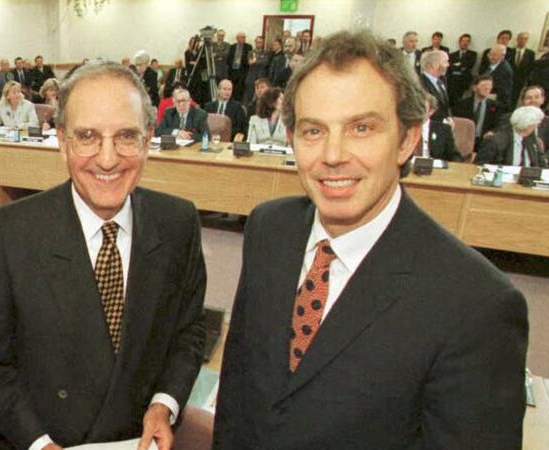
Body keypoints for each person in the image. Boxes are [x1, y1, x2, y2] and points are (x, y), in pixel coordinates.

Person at [214, 30, 528, 449]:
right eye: (313, 131)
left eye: (361, 128)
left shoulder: (478, 305)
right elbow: (240, 387)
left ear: (407, 139)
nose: (333, 154)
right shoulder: (268, 228)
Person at [0, 61, 206, 450]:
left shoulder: (178, 222)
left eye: (127, 136)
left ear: (149, 138)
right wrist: (38, 443)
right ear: (62, 140)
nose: (108, 158)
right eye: (88, 137)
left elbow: (189, 332)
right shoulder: (7, 233)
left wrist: (164, 404)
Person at [494, 85, 549, 168]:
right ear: (523, 101)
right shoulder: (508, 118)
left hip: (539, 165)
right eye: (529, 98)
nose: (533, 101)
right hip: (509, 162)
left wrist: (542, 159)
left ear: (543, 100)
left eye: (536, 97)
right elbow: (498, 141)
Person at [476, 105, 549, 167]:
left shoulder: (533, 140)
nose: (537, 126)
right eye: (536, 124)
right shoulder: (495, 141)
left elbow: (542, 166)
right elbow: (479, 166)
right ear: (527, 125)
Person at [453, 74, 500, 150]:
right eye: (484, 85)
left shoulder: (496, 106)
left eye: (489, 85)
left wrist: (492, 132)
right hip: (464, 140)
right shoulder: (462, 104)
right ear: (474, 88)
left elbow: (498, 125)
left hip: (484, 143)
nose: (487, 88)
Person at [418, 95, 462, 161]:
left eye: (422, 108)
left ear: (431, 111)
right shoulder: (406, 127)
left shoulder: (443, 129)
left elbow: (455, 155)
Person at [528, 33, 549, 109]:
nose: (548, 41)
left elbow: (545, 63)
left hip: (545, 83)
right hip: (539, 82)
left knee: (539, 105)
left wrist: (532, 62)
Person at [479, 44, 514, 112]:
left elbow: (503, 93)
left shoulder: (505, 70)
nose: (491, 57)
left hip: (495, 105)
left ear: (502, 56)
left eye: (495, 55)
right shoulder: (491, 64)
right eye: (490, 54)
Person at [419, 50, 451, 121]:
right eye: (445, 61)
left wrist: (448, 118)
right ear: (435, 64)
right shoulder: (420, 83)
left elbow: (445, 105)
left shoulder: (441, 81)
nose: (448, 65)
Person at [447, 33, 477, 105]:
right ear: (460, 42)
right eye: (463, 41)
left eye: (467, 41)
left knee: (461, 101)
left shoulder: (473, 54)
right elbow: (450, 66)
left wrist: (457, 65)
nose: (465, 43)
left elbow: (469, 65)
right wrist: (461, 66)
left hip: (464, 80)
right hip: (452, 81)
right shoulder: (452, 54)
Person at [512, 32, 536, 106]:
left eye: (525, 39)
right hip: (509, 79)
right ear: (517, 39)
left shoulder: (531, 53)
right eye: (521, 38)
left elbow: (531, 68)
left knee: (516, 99)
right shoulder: (510, 51)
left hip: (521, 80)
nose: (523, 40)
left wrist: (527, 80)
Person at [244, 35, 270, 104]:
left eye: (260, 42)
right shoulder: (251, 52)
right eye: (257, 42)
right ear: (255, 43)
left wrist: (255, 61)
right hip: (251, 76)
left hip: (261, 75)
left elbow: (265, 62)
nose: (259, 44)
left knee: (261, 95)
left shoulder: (266, 52)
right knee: (249, 94)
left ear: (263, 43)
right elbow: (249, 62)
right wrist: (259, 60)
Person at [227, 32, 252, 101]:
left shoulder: (248, 47)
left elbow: (249, 59)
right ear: (237, 38)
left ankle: (239, 102)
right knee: (232, 88)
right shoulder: (232, 47)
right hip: (233, 71)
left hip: (242, 71)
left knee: (240, 89)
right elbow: (229, 59)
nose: (243, 39)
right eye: (241, 37)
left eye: (244, 37)